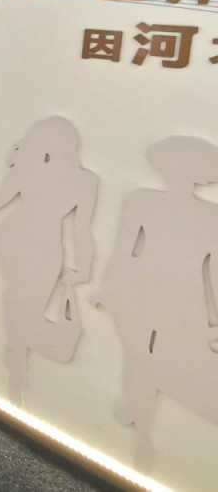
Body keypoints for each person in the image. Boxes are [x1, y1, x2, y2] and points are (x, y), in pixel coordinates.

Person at [0, 116, 97, 405]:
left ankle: (15, 364)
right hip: (36, 245)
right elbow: (81, 232)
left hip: (17, 239)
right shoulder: (83, 181)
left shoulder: (31, 168)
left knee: (20, 305)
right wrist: (84, 268)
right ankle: (16, 368)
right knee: (22, 304)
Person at [95, 137, 218, 471]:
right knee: (142, 359)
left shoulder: (207, 215)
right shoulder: (142, 201)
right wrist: (108, 287)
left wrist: (214, 318)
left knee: (146, 362)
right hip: (144, 292)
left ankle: (141, 429)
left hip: (174, 296)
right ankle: (141, 428)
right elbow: (124, 249)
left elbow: (213, 272)